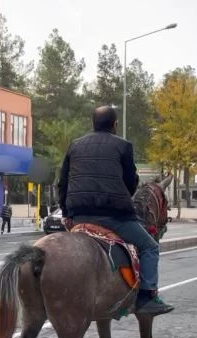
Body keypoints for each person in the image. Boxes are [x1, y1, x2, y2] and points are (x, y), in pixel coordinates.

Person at [58, 105, 173, 316]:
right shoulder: (123, 146)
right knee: (149, 247)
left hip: (79, 216)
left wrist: (67, 213)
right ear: (115, 125)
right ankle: (146, 297)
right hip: (114, 217)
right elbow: (131, 183)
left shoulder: (75, 146)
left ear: (93, 124)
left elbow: (62, 183)